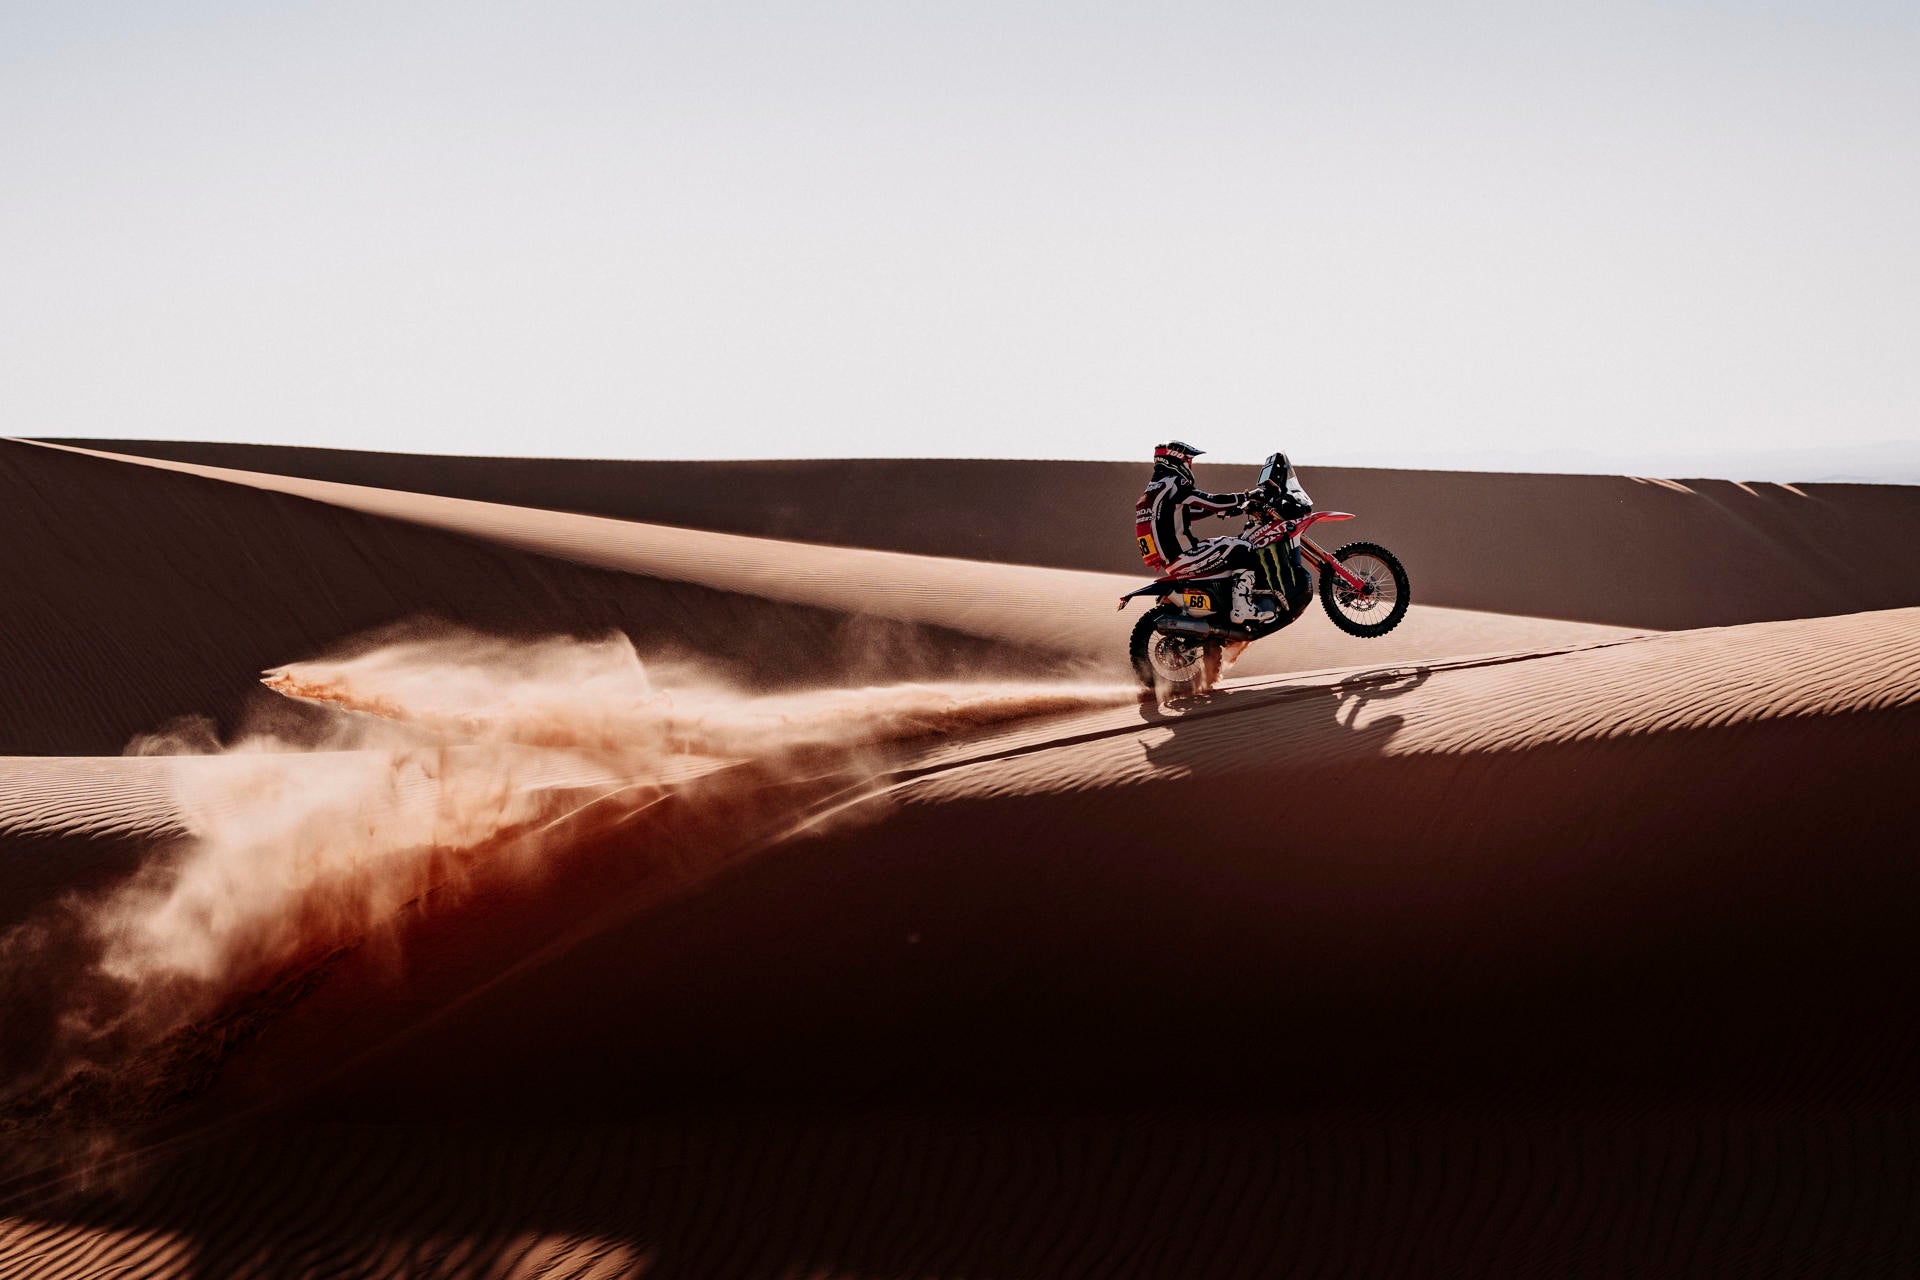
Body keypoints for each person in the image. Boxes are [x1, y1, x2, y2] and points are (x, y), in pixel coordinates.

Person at [1134, 441, 1312, 625]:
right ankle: (1242, 608)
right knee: (1243, 548)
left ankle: (1228, 605)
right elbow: (1210, 501)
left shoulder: (1155, 490)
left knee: (1230, 549)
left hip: (1173, 561)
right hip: (1185, 556)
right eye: (1189, 460)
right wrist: (1247, 496)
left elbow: (1187, 514)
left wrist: (1228, 510)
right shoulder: (1173, 482)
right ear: (1177, 460)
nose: (1190, 465)